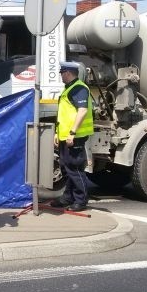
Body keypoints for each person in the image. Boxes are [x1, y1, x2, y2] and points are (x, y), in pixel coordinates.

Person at [51, 61, 94, 212]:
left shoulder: (79, 88)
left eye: (62, 73)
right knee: (66, 167)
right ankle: (67, 197)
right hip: (65, 136)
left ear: (68, 73)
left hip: (75, 136)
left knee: (74, 168)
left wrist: (72, 133)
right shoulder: (69, 88)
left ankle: (81, 200)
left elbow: (82, 111)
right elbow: (64, 115)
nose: (61, 76)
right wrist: (58, 133)